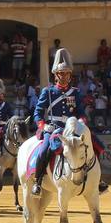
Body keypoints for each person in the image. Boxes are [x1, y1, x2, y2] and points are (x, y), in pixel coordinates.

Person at [30, 48, 87, 196]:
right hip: (53, 128)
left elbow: (81, 112)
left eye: (67, 73)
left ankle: (96, 179)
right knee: (44, 151)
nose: (64, 76)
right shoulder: (48, 91)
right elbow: (37, 113)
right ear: (56, 75)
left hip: (71, 129)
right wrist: (43, 126)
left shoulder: (75, 92)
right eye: (61, 73)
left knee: (92, 144)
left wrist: (81, 121)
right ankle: (37, 181)